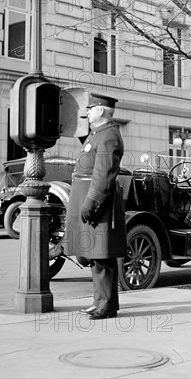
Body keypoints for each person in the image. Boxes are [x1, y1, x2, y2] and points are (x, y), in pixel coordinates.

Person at [63, 92, 127, 320]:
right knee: (94, 254)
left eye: (90, 109)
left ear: (100, 110)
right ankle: (100, 301)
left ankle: (107, 306)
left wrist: (91, 203)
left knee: (102, 256)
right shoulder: (97, 135)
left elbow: (103, 175)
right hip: (87, 199)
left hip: (98, 204)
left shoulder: (108, 136)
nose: (87, 112)